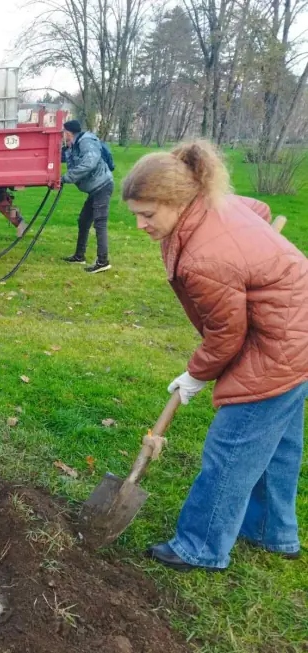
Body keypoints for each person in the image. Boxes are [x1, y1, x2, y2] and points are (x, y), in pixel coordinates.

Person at [121, 140, 308, 570]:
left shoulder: (204, 259)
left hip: (276, 346)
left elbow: (226, 337)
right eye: (135, 213)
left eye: (147, 214)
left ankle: (200, 547)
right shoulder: (214, 204)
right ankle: (271, 532)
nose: (139, 225)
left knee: (232, 450)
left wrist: (193, 376)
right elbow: (258, 209)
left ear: (178, 201)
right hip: (298, 332)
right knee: (277, 445)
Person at [61, 119, 114, 274]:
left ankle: (103, 262)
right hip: (95, 188)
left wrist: (67, 177)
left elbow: (89, 163)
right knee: (83, 221)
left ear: (68, 132)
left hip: (102, 186)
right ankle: (79, 256)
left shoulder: (86, 142)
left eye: (63, 133)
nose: (62, 136)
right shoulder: (74, 145)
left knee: (100, 223)